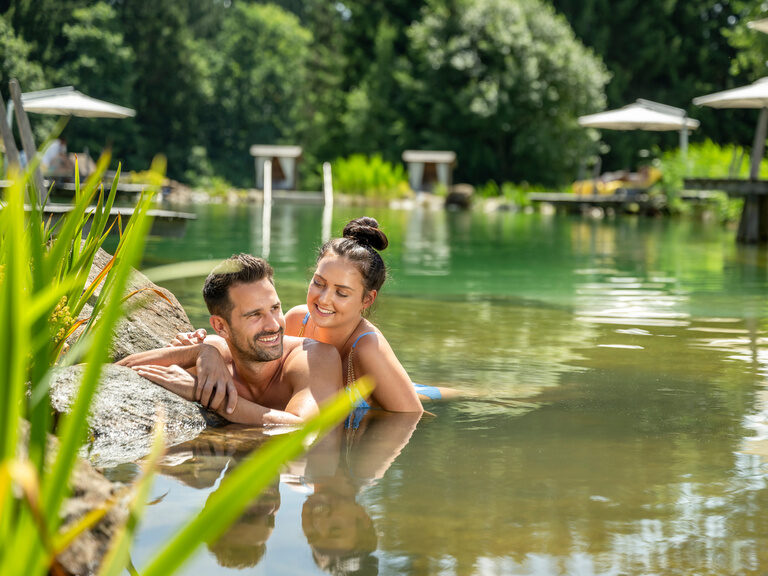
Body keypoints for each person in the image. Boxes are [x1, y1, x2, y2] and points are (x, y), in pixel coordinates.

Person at [172, 217, 445, 414]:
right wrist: (206, 349)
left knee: (455, 394)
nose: (323, 299)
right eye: (319, 283)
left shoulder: (367, 349)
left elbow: (413, 418)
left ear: (366, 300)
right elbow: (253, 351)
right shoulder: (297, 319)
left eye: (342, 292)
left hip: (413, 391)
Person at [117, 253, 342, 425]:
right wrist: (198, 352)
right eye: (255, 315)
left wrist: (207, 396)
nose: (273, 325)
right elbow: (119, 369)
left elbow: (301, 427)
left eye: (275, 308)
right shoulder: (213, 356)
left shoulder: (315, 357)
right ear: (220, 326)